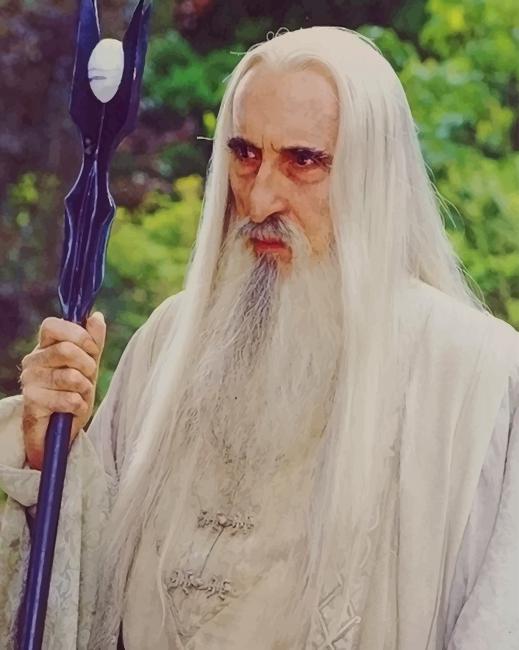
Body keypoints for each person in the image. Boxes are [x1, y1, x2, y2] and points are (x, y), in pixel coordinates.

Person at [1, 26, 518, 650]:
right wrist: (45, 456)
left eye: (303, 161)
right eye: (245, 155)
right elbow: (80, 600)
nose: (260, 197)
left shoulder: (477, 380)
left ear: (373, 177)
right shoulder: (168, 344)